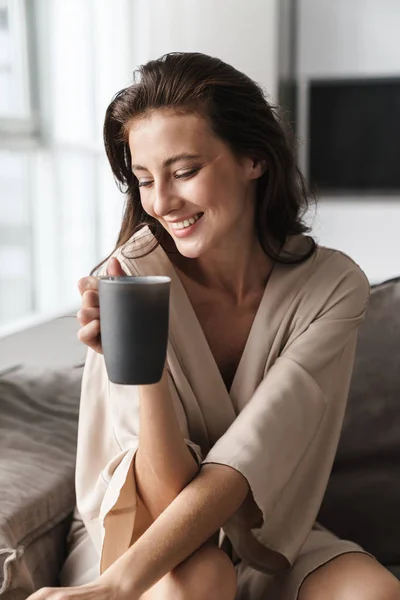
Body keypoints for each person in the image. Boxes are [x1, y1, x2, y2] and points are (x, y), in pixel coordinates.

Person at [29, 52, 400, 600]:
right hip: (139, 534)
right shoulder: (128, 282)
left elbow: (249, 458)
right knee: (198, 581)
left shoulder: (331, 287)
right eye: (144, 179)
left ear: (254, 158)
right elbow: (160, 496)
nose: (161, 202)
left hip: (264, 534)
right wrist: (143, 363)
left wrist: (118, 590)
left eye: (184, 172)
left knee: (371, 591)